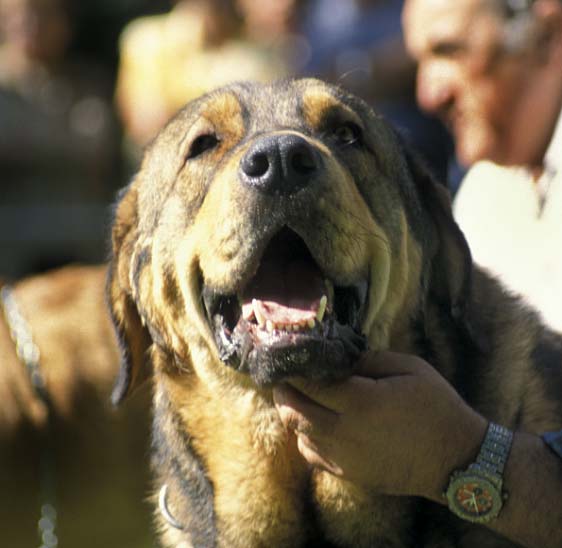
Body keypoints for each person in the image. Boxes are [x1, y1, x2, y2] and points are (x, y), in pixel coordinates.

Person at [273, 1, 562, 547]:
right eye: (420, 62)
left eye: (450, 51)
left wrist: (454, 458)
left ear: (547, 27)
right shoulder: (484, 191)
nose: (429, 94)